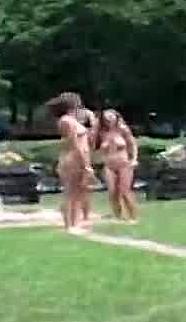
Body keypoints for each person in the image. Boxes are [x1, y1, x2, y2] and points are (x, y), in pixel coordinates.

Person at [47, 92, 94, 233]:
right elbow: (75, 144)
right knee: (70, 192)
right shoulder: (66, 121)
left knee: (77, 192)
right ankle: (69, 225)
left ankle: (75, 223)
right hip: (73, 158)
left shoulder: (72, 120)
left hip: (77, 157)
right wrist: (86, 165)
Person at [97, 109, 139, 223]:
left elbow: (133, 145)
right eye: (106, 118)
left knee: (124, 191)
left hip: (124, 164)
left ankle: (133, 217)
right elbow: (98, 148)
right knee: (112, 192)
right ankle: (118, 216)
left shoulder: (123, 129)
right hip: (109, 165)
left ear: (116, 118)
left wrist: (134, 159)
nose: (108, 119)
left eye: (111, 117)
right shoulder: (102, 133)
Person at [74, 104, 99, 226]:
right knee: (77, 187)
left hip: (83, 156)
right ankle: (79, 213)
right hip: (76, 157)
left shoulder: (87, 125)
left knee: (85, 187)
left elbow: (93, 131)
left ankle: (85, 214)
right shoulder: (71, 122)